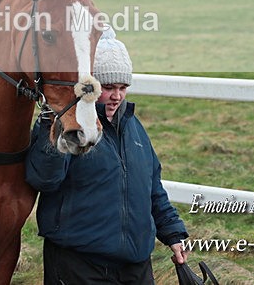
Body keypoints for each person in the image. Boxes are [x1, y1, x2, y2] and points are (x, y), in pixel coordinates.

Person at [25, 28, 189, 284]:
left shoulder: (135, 128)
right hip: (79, 265)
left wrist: (173, 234)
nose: (117, 96)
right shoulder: (67, 126)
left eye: (123, 87)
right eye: (108, 87)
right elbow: (44, 179)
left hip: (135, 267)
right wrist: (52, 124)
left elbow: (152, 188)